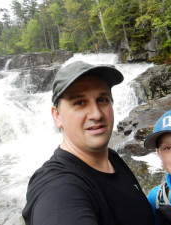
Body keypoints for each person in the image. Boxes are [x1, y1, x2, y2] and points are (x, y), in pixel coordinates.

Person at [22, 61, 156, 225]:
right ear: (57, 116)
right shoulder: (56, 187)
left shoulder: (110, 157)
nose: (96, 114)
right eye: (79, 103)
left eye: (102, 100)